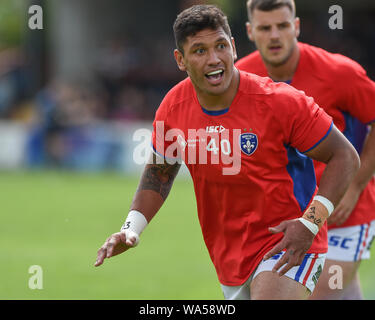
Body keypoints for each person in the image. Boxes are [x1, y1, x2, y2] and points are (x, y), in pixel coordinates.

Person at [94, 4, 360, 300]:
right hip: (228, 256)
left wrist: (310, 222)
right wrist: (131, 228)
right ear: (180, 60)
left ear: (233, 47)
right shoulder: (173, 107)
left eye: (221, 46)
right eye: (199, 51)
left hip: (289, 242)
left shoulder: (280, 101)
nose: (214, 59)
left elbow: (345, 156)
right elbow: (160, 172)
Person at [235, 0, 375, 300]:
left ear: (296, 26)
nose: (274, 36)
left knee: (318, 293)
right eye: (264, 28)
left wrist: (354, 187)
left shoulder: (340, 72)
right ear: (250, 31)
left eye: (282, 26)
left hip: (345, 214)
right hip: (287, 219)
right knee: (340, 293)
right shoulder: (240, 79)